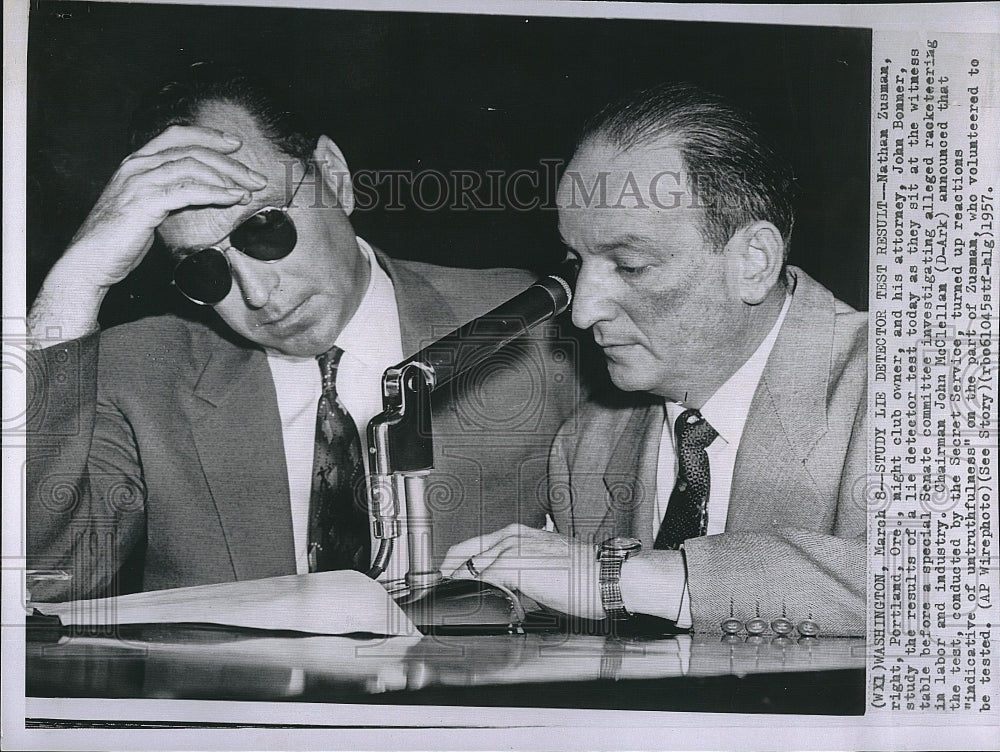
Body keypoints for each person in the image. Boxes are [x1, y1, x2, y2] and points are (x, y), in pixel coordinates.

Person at [26, 63, 578, 602]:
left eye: (265, 229)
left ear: (333, 176)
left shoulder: (524, 325)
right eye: (203, 270)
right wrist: (73, 283)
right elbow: (45, 576)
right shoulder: (138, 371)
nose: (258, 295)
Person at [443, 82, 866, 636]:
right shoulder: (586, 446)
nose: (583, 312)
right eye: (576, 262)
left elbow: (944, 585)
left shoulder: (915, 386)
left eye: (631, 264)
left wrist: (624, 579)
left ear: (754, 262)